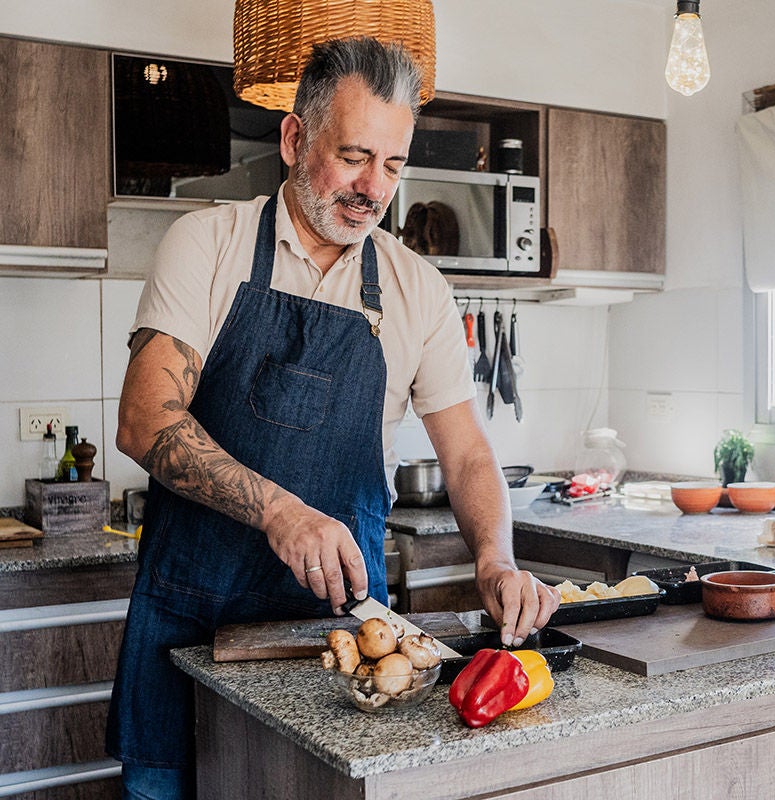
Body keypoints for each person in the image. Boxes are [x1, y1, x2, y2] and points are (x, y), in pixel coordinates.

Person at [105, 37, 559, 799]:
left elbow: (470, 457)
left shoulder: (418, 289)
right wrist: (282, 512)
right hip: (192, 626)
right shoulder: (207, 245)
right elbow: (145, 419)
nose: (372, 188)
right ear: (293, 137)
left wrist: (496, 560)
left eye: (392, 164)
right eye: (353, 156)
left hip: (347, 645)